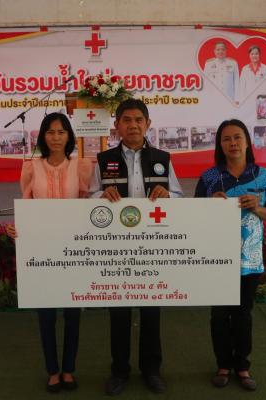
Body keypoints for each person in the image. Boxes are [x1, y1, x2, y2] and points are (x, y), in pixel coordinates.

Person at [89, 98, 183, 396]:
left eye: (138, 120)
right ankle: (119, 371)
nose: (133, 125)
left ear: (148, 124)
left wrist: (168, 195)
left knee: (151, 310)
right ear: (116, 125)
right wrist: (101, 196)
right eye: (126, 120)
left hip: (153, 245)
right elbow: (90, 196)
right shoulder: (103, 160)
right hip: (117, 247)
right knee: (118, 311)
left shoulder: (163, 158)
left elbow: (180, 196)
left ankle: (152, 370)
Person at [6, 112, 92, 393]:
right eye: (51, 132)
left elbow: (87, 206)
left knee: (73, 314)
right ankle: (53, 371)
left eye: (61, 132)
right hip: (43, 254)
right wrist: (16, 228)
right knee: (46, 315)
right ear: (43, 136)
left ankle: (69, 369)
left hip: (74, 252)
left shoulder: (81, 166)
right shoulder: (31, 167)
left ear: (69, 136)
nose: (56, 137)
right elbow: (27, 207)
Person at [194, 119, 266, 392]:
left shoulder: (264, 176)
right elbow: (193, 218)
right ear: (219, 145)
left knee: (243, 314)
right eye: (226, 139)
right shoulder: (209, 177)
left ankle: (242, 366)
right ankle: (223, 365)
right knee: (219, 315)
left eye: (237, 137)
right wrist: (210, 207)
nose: (232, 143)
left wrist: (258, 208)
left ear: (247, 142)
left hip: (249, 260)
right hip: (217, 258)